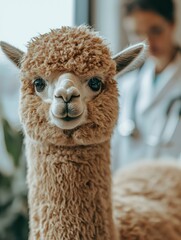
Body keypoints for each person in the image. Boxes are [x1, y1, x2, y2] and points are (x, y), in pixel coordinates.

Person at [111, 0, 181, 170]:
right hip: (128, 190)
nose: (147, 42)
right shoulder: (125, 87)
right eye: (137, 33)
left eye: (155, 31)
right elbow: (113, 153)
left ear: (172, 25)